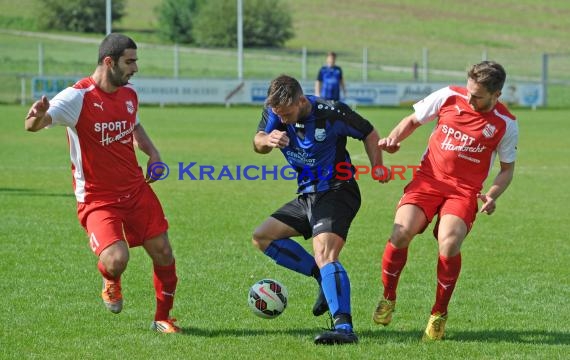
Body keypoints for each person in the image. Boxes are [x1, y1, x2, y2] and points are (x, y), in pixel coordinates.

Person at [24, 33, 180, 333]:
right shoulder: (76, 97)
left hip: (135, 190)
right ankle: (111, 280)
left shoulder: (129, 95)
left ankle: (163, 318)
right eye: (129, 62)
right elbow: (35, 125)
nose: (135, 68)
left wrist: (153, 153)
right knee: (116, 259)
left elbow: (133, 125)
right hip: (97, 198)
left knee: (163, 251)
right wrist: (36, 117)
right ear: (109, 62)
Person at [372, 61, 519, 340]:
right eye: (469, 90)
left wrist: (492, 194)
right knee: (400, 233)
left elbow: (507, 170)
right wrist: (393, 138)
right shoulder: (449, 95)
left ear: (496, 95)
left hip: (463, 191)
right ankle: (389, 297)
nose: (470, 97)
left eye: (477, 96)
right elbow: (413, 120)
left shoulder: (506, 124)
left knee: (449, 243)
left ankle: (439, 312)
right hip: (428, 180)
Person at [252, 74, 389, 345]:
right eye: (280, 116)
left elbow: (369, 132)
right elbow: (257, 141)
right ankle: (320, 276)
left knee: (325, 253)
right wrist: (268, 139)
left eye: (288, 114)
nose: (285, 121)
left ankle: (344, 328)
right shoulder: (275, 113)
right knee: (262, 237)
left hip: (338, 190)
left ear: (301, 100)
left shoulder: (332, 112)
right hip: (307, 195)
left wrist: (377, 165)